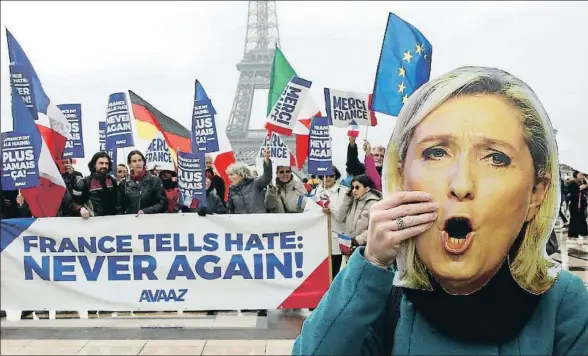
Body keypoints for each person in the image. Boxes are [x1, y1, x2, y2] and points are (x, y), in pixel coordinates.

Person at [293, 67, 588, 355]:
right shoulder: (382, 298)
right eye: (436, 153)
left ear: (537, 193)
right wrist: (370, 265)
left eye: (496, 158)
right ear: (401, 177)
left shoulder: (564, 305)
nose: (460, 184)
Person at [312, 166, 348, 279]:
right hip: (319, 240)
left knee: (335, 273)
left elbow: (342, 215)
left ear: (336, 176)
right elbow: (308, 213)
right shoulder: (315, 192)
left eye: (330, 175)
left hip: (337, 240)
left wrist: (330, 207)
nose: (327, 178)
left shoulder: (344, 191)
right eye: (324, 175)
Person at [337, 174, 382, 260]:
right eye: (352, 187)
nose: (354, 190)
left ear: (367, 188)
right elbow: (340, 217)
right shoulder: (353, 201)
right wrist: (347, 199)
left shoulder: (374, 203)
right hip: (350, 250)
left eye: (357, 187)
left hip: (366, 251)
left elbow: (376, 228)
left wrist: (358, 240)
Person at [118, 150, 167, 215]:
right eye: (134, 161)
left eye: (140, 160)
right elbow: (119, 206)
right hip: (130, 221)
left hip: (150, 220)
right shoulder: (124, 183)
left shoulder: (155, 180)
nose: (138, 163)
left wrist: (146, 211)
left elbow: (162, 203)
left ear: (144, 162)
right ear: (129, 164)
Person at [226, 148, 272, 214]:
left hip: (259, 221)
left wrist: (267, 162)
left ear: (241, 174)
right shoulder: (232, 190)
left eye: (231, 175)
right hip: (241, 222)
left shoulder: (255, 183)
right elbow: (230, 209)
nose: (229, 177)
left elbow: (267, 178)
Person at [72, 152, 118, 218]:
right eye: (101, 163)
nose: (104, 166)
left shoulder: (112, 181)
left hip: (112, 222)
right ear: (94, 164)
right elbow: (73, 203)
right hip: (93, 223)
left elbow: (118, 203)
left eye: (106, 163)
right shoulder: (84, 182)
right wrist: (81, 208)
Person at [566, 171, 588, 241]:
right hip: (574, 204)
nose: (582, 176)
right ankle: (573, 236)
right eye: (580, 174)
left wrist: (586, 180)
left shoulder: (582, 183)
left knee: (582, 219)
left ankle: (583, 235)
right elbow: (570, 192)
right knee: (574, 220)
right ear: (576, 175)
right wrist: (579, 188)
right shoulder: (573, 182)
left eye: (582, 175)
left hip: (581, 204)